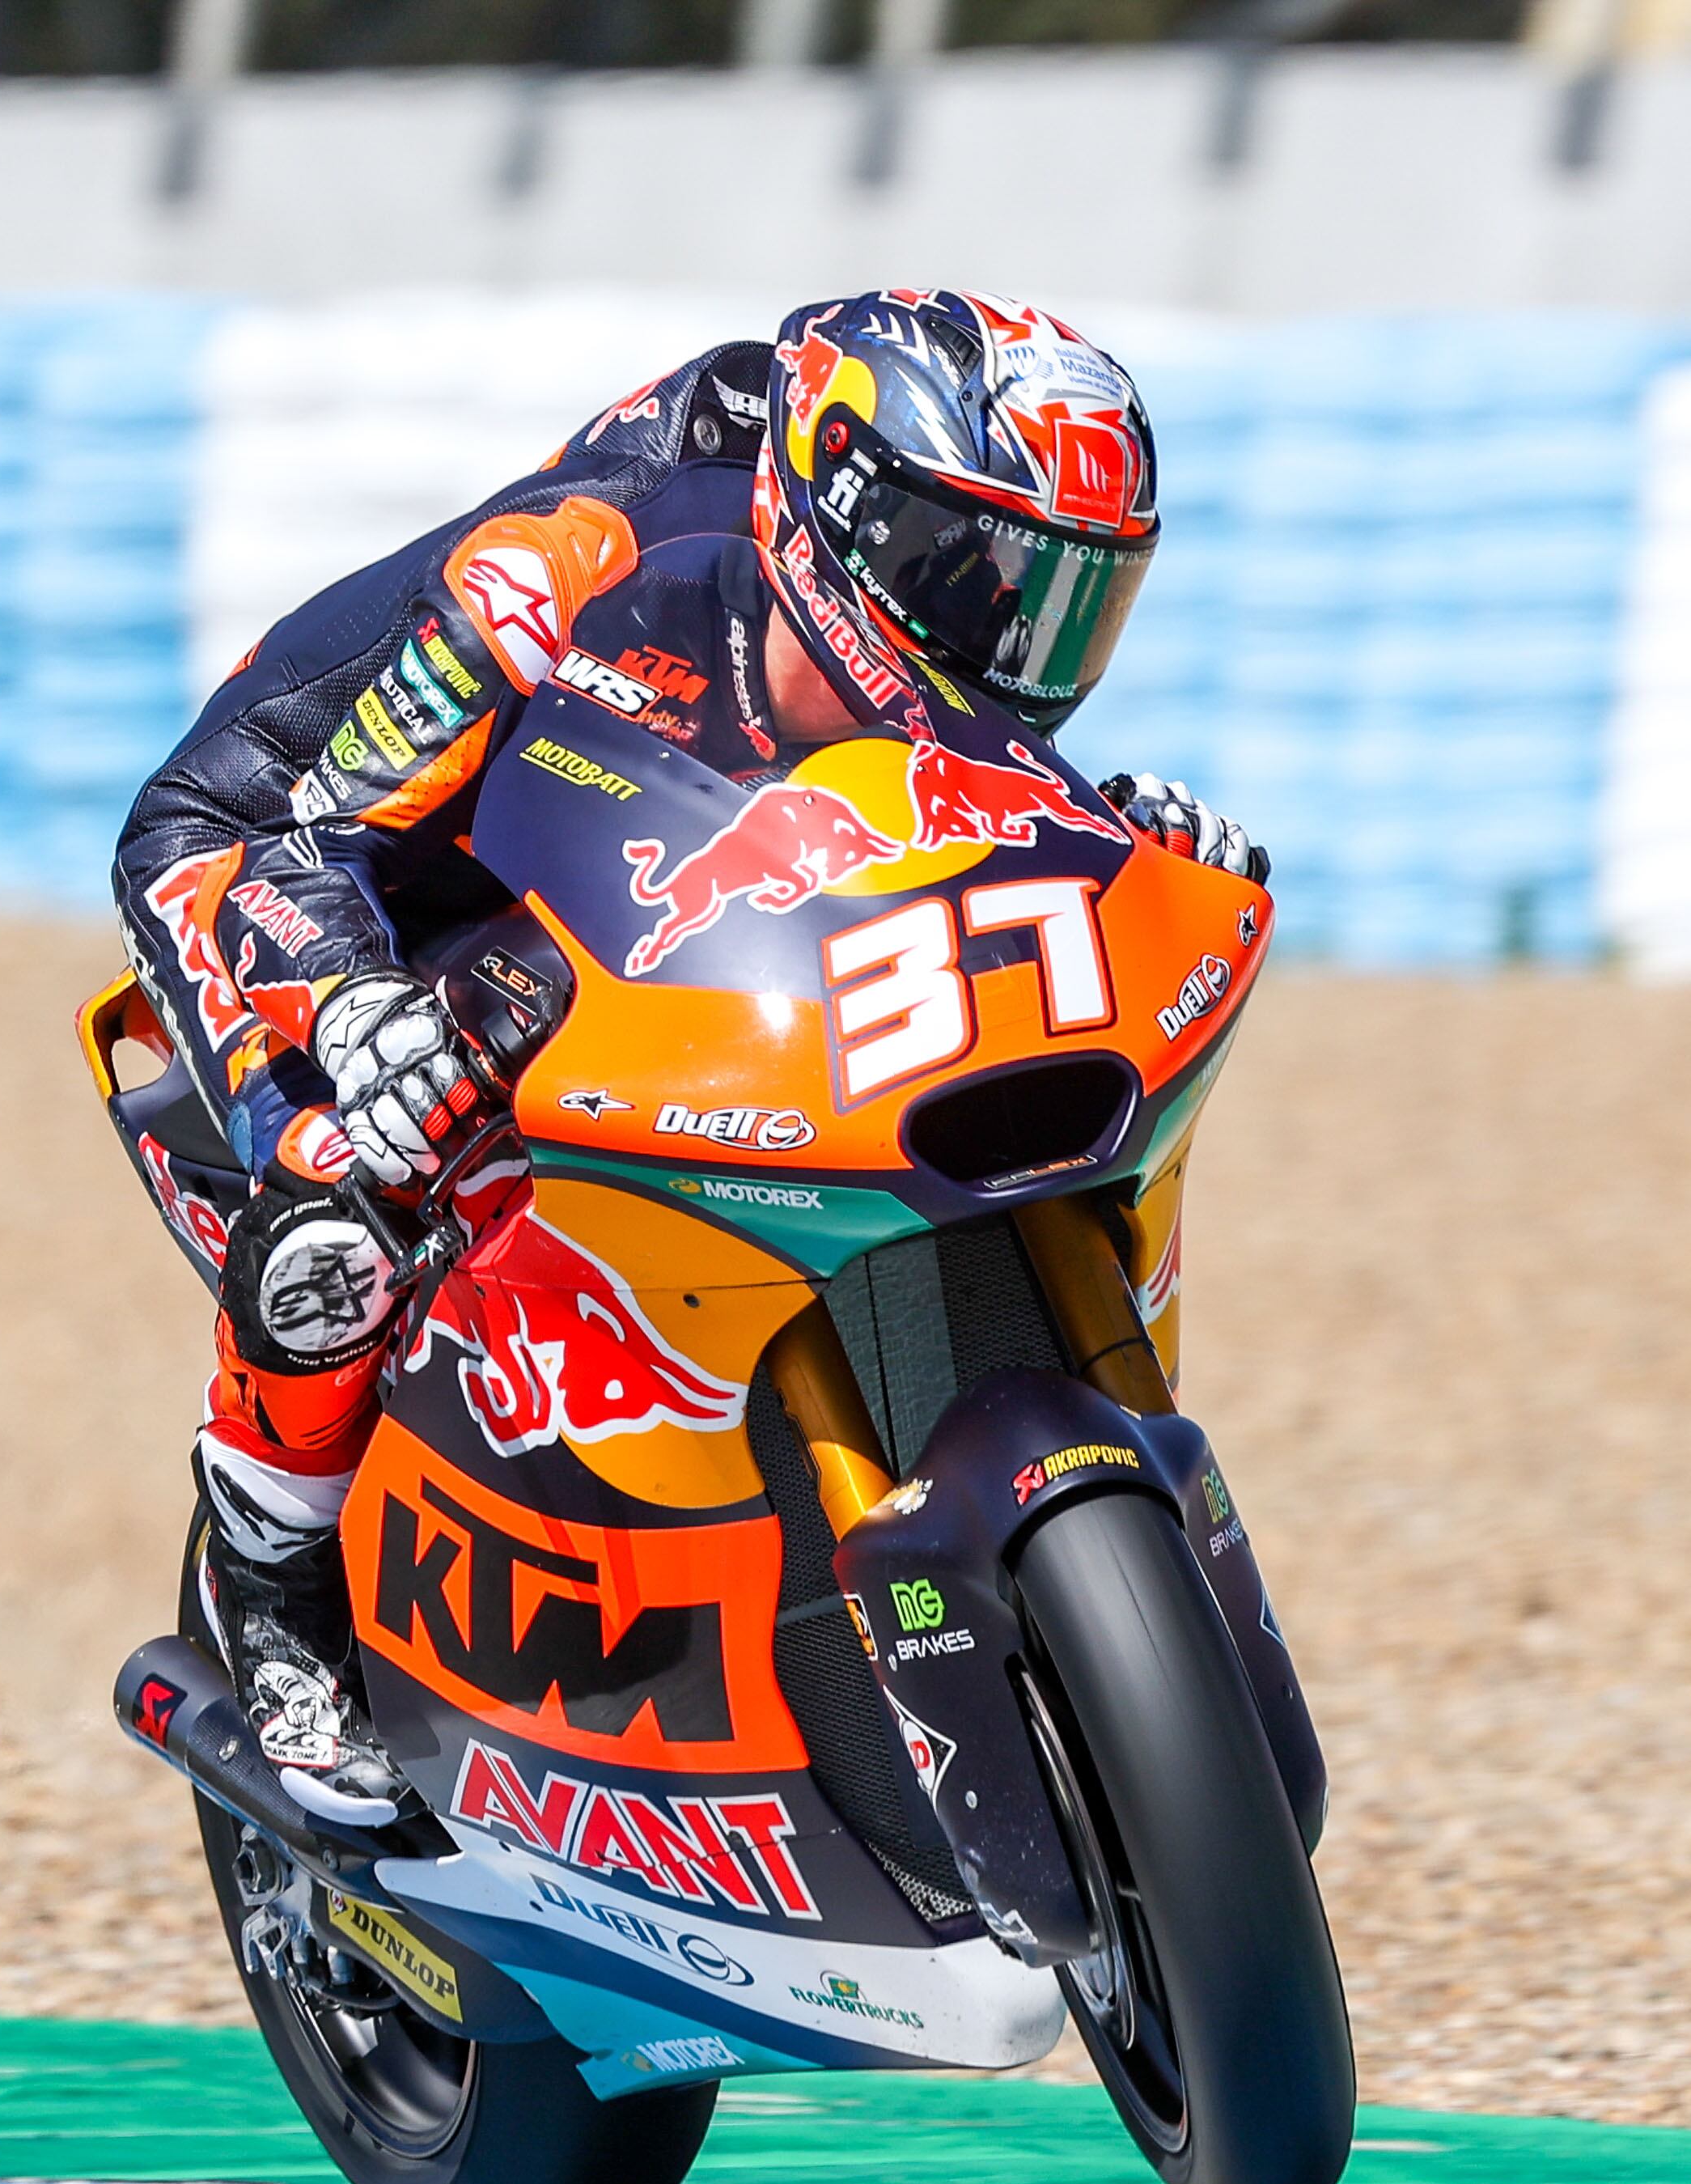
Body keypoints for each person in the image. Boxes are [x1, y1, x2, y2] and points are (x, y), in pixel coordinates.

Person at [111, 289, 1257, 1826]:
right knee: (358, 1168)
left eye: (1065, 605)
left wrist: (1124, 845)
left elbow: (932, 810)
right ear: (844, 522)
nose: (1018, 653)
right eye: (980, 587)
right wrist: (354, 1009)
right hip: (315, 844)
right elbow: (312, 842)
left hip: (606, 821)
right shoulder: (560, 580)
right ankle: (272, 1577)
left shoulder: (878, 615)